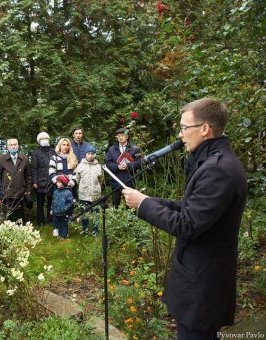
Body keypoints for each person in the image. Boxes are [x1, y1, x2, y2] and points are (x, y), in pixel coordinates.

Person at [122, 98, 248, 339]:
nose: (180, 135)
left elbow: (187, 225)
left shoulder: (217, 169)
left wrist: (144, 205)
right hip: (199, 277)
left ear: (204, 129)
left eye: (183, 127)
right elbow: (194, 210)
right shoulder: (212, 162)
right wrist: (152, 200)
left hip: (202, 283)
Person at [104, 128, 142, 209]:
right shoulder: (112, 149)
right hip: (116, 181)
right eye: (118, 136)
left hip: (130, 180)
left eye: (122, 135)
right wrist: (117, 167)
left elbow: (139, 163)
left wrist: (128, 166)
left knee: (130, 205)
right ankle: (115, 220)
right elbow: (108, 163)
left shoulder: (134, 148)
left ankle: (131, 220)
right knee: (115, 205)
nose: (120, 137)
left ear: (127, 136)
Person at [0, 138, 32, 222]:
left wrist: (28, 189)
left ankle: (21, 230)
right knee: (6, 216)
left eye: (15, 144)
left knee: (20, 216)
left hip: (20, 192)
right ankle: (6, 231)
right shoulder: (2, 159)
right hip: (7, 192)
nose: (13, 147)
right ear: (8, 147)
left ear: (18, 146)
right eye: (11, 145)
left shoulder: (24, 158)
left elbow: (28, 175)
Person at [49, 138, 78, 236]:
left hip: (69, 187)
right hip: (58, 187)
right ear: (60, 146)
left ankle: (64, 229)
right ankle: (56, 228)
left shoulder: (72, 157)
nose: (65, 147)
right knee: (57, 207)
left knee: (67, 209)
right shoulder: (54, 158)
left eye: (67, 145)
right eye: (63, 145)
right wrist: (59, 182)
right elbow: (51, 172)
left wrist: (71, 183)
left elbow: (75, 174)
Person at [75, 145, 104, 236]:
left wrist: (97, 187)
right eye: (88, 154)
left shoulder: (98, 166)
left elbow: (101, 179)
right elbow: (77, 179)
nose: (90, 156)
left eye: (92, 154)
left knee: (95, 213)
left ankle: (96, 230)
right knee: (84, 213)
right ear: (85, 155)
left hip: (95, 194)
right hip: (84, 194)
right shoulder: (80, 166)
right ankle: (85, 230)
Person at [31, 132, 55, 226]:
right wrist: (35, 181)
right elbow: (34, 168)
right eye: (42, 138)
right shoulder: (35, 153)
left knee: (51, 202)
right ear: (39, 141)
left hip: (51, 181)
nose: (44, 140)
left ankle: (50, 219)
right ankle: (40, 221)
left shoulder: (53, 151)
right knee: (40, 204)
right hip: (40, 182)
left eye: (46, 138)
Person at [50, 175, 74, 240]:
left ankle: (64, 236)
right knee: (59, 224)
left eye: (59, 182)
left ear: (64, 183)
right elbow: (53, 201)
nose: (57, 183)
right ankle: (60, 234)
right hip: (56, 212)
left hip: (64, 213)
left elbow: (70, 203)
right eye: (57, 182)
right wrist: (52, 209)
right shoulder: (55, 192)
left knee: (64, 224)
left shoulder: (68, 193)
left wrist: (65, 209)